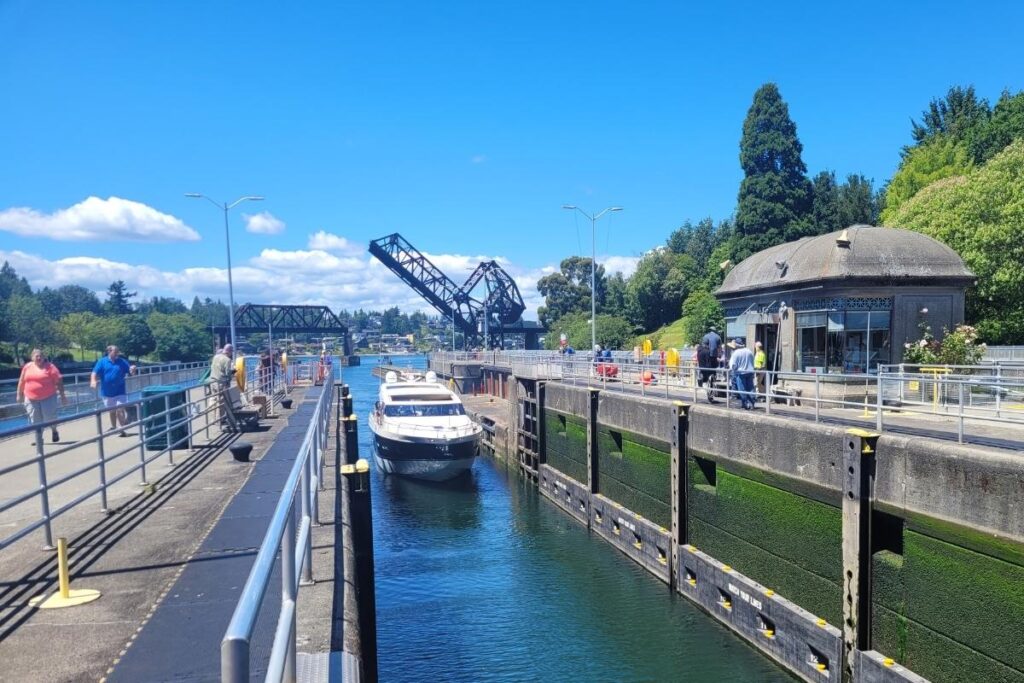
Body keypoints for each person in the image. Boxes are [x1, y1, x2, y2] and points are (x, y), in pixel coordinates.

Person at [17, 349, 67, 443]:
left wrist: (63, 396)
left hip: (48, 397)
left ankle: (54, 430)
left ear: (44, 357)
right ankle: (39, 438)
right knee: (35, 419)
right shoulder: (27, 367)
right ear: (32, 358)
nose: (39, 358)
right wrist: (19, 394)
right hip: (30, 398)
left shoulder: (50, 367)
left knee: (50, 417)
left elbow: (59, 382)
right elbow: (21, 381)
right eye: (36, 356)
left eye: (40, 356)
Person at [91, 345, 137, 435]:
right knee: (112, 411)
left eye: (118, 351)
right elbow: (94, 372)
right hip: (107, 392)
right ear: (109, 351)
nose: (117, 353)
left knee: (120, 409)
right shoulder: (102, 361)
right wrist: (93, 380)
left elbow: (131, 373)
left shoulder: (122, 362)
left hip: (120, 391)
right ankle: (114, 427)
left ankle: (121, 429)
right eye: (115, 351)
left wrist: (133, 370)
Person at [727, 339, 756, 410]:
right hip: (750, 372)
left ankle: (745, 404)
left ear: (736, 345)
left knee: (742, 389)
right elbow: (753, 362)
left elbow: (733, 365)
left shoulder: (736, 353)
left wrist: (733, 370)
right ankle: (752, 403)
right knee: (750, 388)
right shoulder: (749, 351)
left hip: (740, 373)